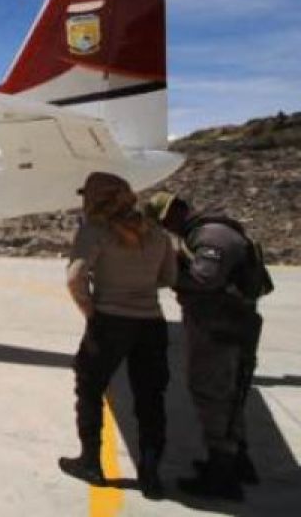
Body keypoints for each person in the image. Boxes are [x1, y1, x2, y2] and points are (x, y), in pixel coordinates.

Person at [58, 172, 176, 500]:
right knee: (150, 396)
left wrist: (92, 313)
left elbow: (75, 278)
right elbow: (169, 276)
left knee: (89, 388)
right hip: (152, 323)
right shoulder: (157, 232)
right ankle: (151, 472)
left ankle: (91, 462)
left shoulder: (94, 231)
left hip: (110, 322)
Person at [148, 192, 272, 501]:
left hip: (219, 328)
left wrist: (169, 274)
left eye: (163, 223)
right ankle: (236, 462)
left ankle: (222, 477)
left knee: (212, 393)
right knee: (230, 395)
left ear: (173, 213)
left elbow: (204, 280)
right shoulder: (212, 231)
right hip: (232, 324)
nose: (167, 230)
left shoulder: (211, 236)